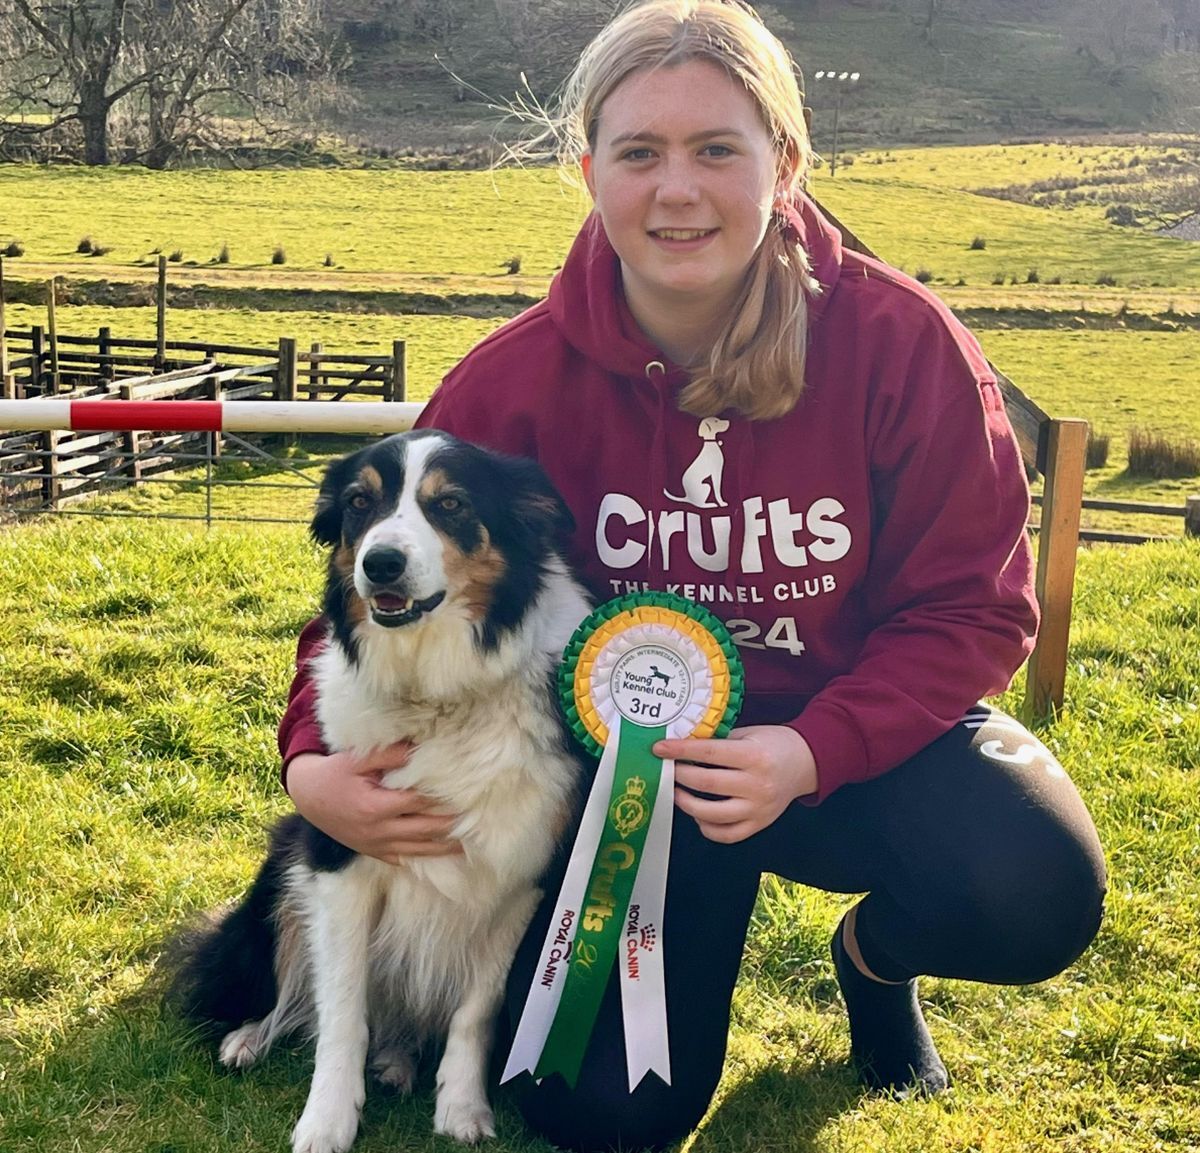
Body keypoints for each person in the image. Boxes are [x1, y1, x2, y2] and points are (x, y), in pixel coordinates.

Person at [279, 2, 1107, 1149]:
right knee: (593, 1113)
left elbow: (975, 604)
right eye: (639, 153)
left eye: (718, 148)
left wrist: (812, 748)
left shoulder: (903, 344)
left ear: (788, 161)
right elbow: (380, 586)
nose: (679, 191)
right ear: (588, 172)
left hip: (848, 748)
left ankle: (873, 963)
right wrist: (309, 762)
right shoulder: (512, 384)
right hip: (632, 790)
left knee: (1035, 889)